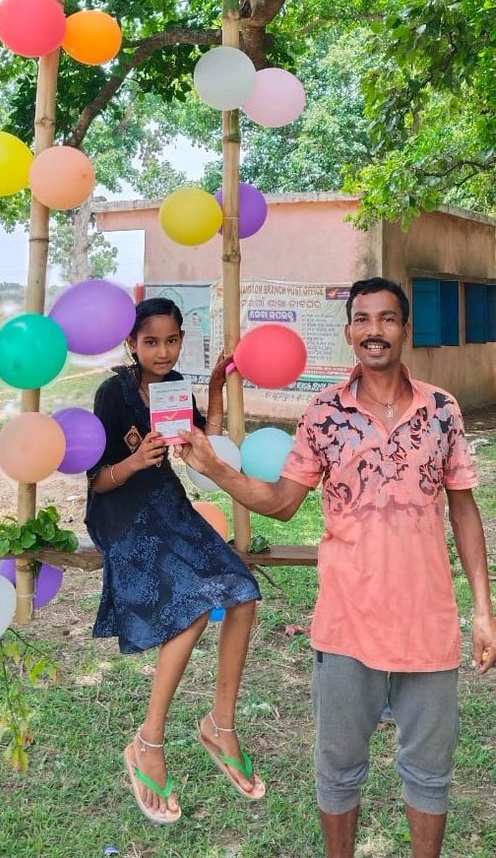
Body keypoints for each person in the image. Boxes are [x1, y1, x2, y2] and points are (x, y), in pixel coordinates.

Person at [177, 277, 496, 858]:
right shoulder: (324, 412)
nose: (375, 330)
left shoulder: (443, 410)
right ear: (350, 330)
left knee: (429, 775)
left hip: (429, 624)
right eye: (364, 320)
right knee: (339, 773)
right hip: (347, 626)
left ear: (406, 329)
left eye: (387, 318)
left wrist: (483, 610)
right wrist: (219, 471)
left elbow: (465, 512)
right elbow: (282, 501)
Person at [85, 296, 265, 826]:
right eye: (150, 342)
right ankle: (149, 741)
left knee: (244, 594)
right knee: (190, 607)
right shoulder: (112, 393)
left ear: (182, 340)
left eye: (171, 340)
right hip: (121, 513)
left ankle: (221, 725)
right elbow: (96, 480)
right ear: (132, 344)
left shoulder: (174, 388)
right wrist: (136, 461)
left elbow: (202, 446)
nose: (162, 351)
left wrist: (210, 388)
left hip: (169, 506)